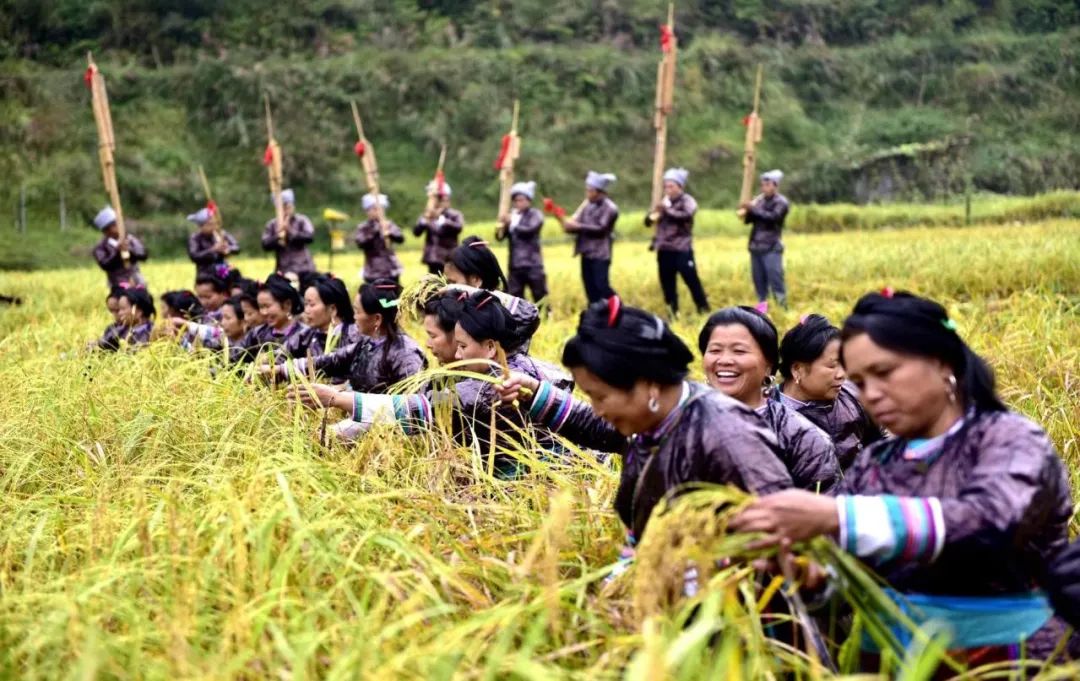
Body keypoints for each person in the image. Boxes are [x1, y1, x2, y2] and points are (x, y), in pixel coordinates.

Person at [732, 291, 1075, 663]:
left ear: (942, 362)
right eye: (860, 382)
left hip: (1014, 660)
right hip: (896, 662)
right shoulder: (874, 464)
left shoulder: (1009, 439)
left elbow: (991, 522)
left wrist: (837, 516)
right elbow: (852, 580)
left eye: (884, 373)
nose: (871, 395)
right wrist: (810, 578)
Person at [498, 296, 792, 541]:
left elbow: (779, 531)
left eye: (601, 396)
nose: (598, 409)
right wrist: (535, 392)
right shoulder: (654, 420)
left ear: (649, 383)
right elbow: (595, 426)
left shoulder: (726, 435)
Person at [698, 307, 840, 492]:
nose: (724, 360)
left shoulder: (803, 438)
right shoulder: (680, 423)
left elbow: (823, 510)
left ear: (768, 365)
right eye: (715, 350)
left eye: (739, 351)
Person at [272, 279, 426, 393]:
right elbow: (331, 361)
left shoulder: (406, 353)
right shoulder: (367, 343)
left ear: (377, 319)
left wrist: (341, 397)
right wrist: (281, 370)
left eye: (357, 311)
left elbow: (413, 405)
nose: (354, 317)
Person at [775, 314, 882, 470]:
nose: (842, 374)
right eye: (832, 366)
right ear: (797, 369)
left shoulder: (853, 394)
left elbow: (877, 445)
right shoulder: (771, 417)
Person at [645, 167, 709, 316]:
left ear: (680, 187)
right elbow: (649, 221)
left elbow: (686, 215)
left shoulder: (688, 201)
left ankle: (703, 309)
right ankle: (673, 313)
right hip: (664, 249)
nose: (668, 189)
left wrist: (666, 210)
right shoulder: (663, 202)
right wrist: (651, 215)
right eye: (666, 186)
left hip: (681, 249)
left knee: (691, 280)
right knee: (667, 284)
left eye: (671, 186)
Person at [559, 171, 618, 304]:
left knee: (602, 286)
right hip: (586, 253)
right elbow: (575, 226)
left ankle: (618, 310)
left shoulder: (610, 208)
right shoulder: (587, 207)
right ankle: (597, 315)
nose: (587, 194)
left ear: (599, 192)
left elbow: (601, 229)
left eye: (590, 191)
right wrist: (565, 223)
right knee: (590, 288)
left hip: (601, 254)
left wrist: (578, 226)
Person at [276, 274, 361, 364]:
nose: (306, 310)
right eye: (305, 304)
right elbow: (279, 355)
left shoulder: (354, 336)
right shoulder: (305, 335)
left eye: (312, 305)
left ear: (332, 309)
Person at [741, 170, 789, 314]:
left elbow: (773, 217)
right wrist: (747, 210)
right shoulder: (759, 200)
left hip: (771, 247)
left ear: (775, 185)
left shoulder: (781, 202)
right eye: (762, 185)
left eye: (767, 184)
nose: (764, 188)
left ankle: (782, 310)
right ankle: (762, 311)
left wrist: (753, 209)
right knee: (759, 282)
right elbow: (748, 221)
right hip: (756, 247)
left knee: (775, 280)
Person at [495, 181, 548, 302]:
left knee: (539, 294)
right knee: (515, 296)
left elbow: (530, 229)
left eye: (521, 200)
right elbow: (500, 237)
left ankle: (546, 316)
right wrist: (503, 223)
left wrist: (512, 223)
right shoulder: (512, 216)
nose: (518, 203)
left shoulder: (535, 214)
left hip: (533, 264)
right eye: (516, 200)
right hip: (515, 265)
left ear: (528, 200)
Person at [261, 189, 316, 276]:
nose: (286, 210)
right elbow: (265, 244)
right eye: (283, 207)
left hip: (304, 269)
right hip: (283, 269)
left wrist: (289, 230)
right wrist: (278, 236)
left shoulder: (302, 220)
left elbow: (309, 237)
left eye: (288, 206)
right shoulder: (272, 224)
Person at [414, 180, 464, 275]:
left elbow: (458, 227)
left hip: (449, 257)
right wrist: (425, 220)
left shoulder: (454, 215)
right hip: (432, 259)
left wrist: (442, 220)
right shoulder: (428, 215)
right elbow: (416, 232)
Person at [91, 206, 148, 288]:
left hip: (137, 281)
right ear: (106, 231)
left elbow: (143, 255)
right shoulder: (100, 247)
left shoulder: (130, 239)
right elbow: (105, 265)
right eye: (114, 225)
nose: (119, 226)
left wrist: (129, 250)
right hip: (117, 285)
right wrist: (118, 253)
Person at [354, 193, 405, 284]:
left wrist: (389, 233)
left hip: (391, 269)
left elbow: (400, 238)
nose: (378, 212)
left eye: (381, 209)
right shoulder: (364, 227)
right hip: (373, 270)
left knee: (393, 295)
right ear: (368, 211)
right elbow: (360, 242)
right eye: (374, 209)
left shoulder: (388, 224)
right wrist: (376, 230)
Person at [186, 207, 239, 279]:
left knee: (235, 275)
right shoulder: (194, 238)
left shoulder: (221, 233)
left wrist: (228, 248)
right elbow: (194, 256)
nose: (214, 227)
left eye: (215, 223)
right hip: (205, 272)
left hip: (222, 268)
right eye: (210, 224)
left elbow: (237, 247)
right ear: (201, 226)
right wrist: (213, 250)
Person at [107, 286, 156, 350]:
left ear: (138, 311)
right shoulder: (123, 329)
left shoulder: (150, 333)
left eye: (123, 308)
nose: (119, 313)